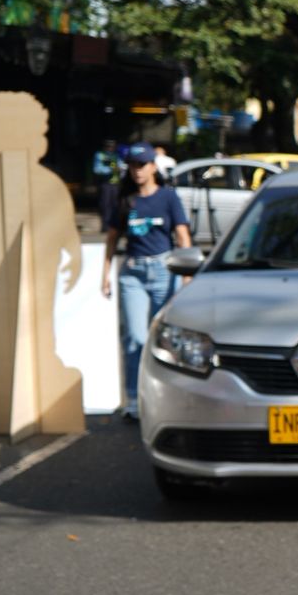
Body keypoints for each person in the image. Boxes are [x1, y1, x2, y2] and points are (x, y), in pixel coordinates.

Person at [101, 142, 192, 419]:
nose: (137, 171)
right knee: (135, 338)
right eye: (133, 166)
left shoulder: (168, 198)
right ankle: (133, 400)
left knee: (164, 340)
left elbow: (182, 236)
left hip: (165, 271)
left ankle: (168, 398)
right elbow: (113, 237)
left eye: (142, 165)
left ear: (153, 167)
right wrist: (104, 273)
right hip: (133, 274)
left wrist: (187, 275)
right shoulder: (125, 199)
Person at [91, 140, 124, 233]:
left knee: (115, 205)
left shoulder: (116, 156)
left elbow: (121, 165)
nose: (111, 148)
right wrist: (110, 169)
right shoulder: (100, 155)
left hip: (116, 184)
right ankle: (105, 226)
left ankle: (114, 226)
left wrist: (120, 168)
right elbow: (97, 169)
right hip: (105, 184)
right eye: (109, 146)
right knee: (105, 205)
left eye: (112, 147)